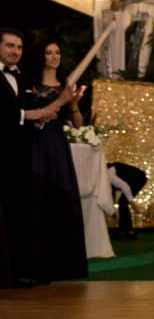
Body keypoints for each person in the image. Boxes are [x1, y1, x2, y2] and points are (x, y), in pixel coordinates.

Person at [0, 29, 64, 287]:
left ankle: (15, 272)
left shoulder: (23, 77)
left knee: (16, 211)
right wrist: (31, 115)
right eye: (9, 46)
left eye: (19, 47)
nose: (15, 51)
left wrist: (40, 116)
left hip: (19, 155)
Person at [24, 40, 89, 282]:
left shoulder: (65, 86)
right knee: (38, 198)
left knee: (64, 198)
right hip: (35, 144)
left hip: (58, 146)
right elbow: (31, 116)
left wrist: (72, 105)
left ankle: (66, 265)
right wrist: (61, 100)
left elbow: (78, 124)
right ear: (41, 56)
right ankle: (38, 265)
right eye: (49, 52)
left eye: (58, 52)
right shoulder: (29, 85)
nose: (54, 57)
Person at [108, 162, 147, 239]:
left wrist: (132, 203)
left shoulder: (108, 174)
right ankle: (124, 230)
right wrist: (111, 210)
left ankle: (128, 231)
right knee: (122, 202)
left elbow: (125, 186)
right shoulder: (105, 175)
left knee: (122, 202)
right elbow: (111, 194)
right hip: (132, 180)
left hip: (138, 178)